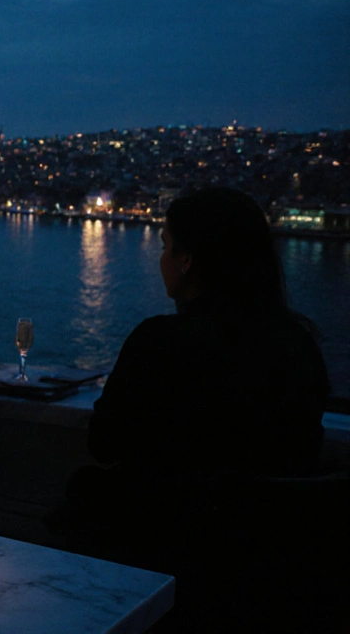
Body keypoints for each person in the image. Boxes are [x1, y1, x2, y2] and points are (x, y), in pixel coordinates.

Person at [58, 187, 331, 624]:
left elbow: (104, 443)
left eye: (165, 245)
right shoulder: (299, 345)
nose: (160, 258)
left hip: (165, 553)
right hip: (270, 568)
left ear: (187, 260)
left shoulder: (160, 341)